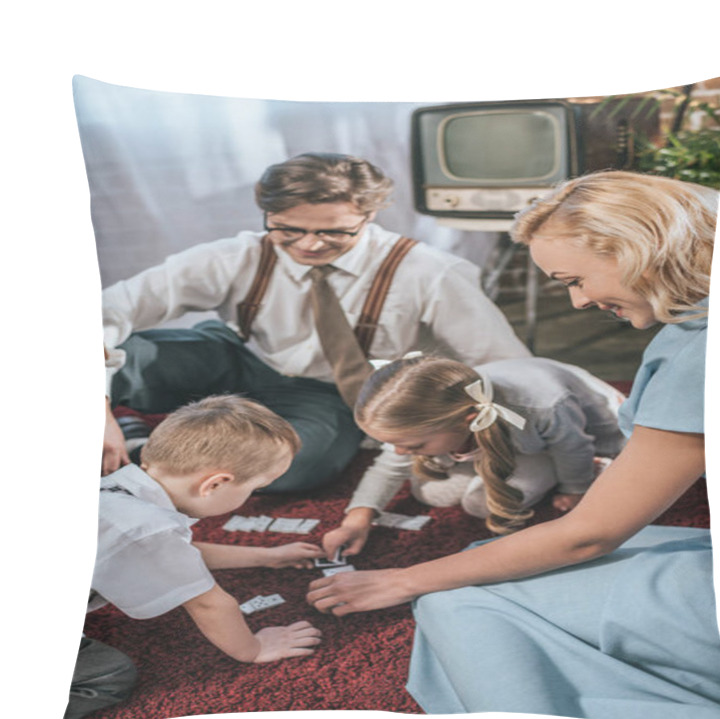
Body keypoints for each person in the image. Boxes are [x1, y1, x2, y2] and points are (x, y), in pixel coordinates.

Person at [307, 171, 720, 719]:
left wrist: (405, 579)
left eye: (575, 279)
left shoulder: (695, 353)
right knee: (495, 552)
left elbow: (589, 532)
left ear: (635, 248)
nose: (578, 300)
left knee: (454, 601)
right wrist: (365, 511)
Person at [101, 152, 532, 489]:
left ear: (369, 215)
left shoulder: (430, 271)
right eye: (287, 229)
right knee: (131, 356)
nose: (308, 245)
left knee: (299, 467)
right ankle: (122, 428)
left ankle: (145, 447)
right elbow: (109, 309)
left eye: (334, 232)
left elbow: (501, 361)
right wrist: (98, 409)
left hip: (329, 393)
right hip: (238, 361)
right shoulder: (237, 255)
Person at [80, 395, 323, 679]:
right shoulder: (147, 529)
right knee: (111, 676)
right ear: (216, 484)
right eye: (255, 488)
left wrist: (268, 556)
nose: (251, 496)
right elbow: (209, 604)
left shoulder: (118, 488)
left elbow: (180, 554)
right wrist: (254, 649)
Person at [321, 354, 624, 559]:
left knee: (481, 505)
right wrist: (356, 519)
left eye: (413, 446)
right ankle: (481, 462)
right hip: (500, 437)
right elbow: (388, 465)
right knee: (430, 491)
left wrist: (575, 487)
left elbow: (574, 447)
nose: (400, 453)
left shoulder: (543, 407)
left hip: (562, 442)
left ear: (467, 421)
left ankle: (579, 472)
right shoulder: (438, 415)